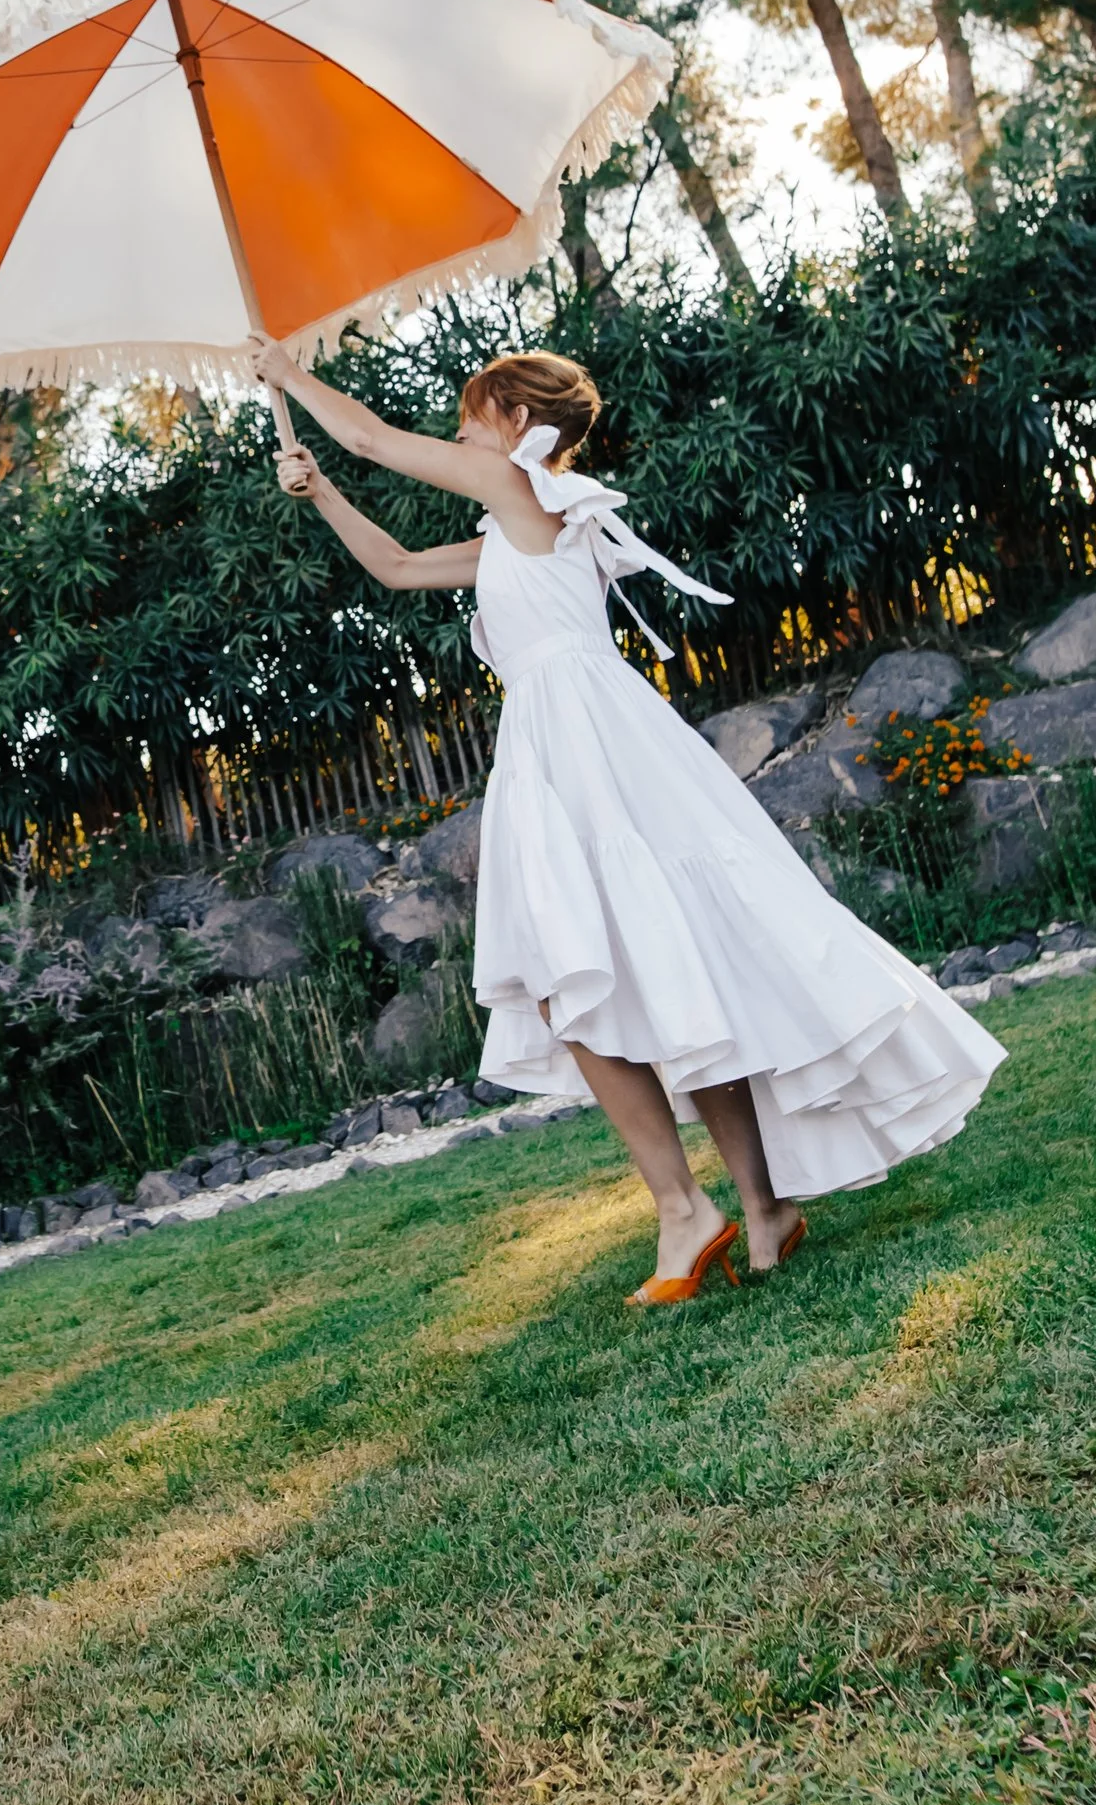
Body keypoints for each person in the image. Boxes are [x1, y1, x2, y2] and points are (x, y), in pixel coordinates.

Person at [261, 343, 1003, 1300]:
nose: (456, 432)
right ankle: (761, 1207)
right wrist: (320, 491)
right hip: (581, 739)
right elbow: (397, 567)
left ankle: (685, 1211)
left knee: (575, 979)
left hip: (580, 745)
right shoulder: (524, 527)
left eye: (470, 414)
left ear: (515, 425)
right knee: (664, 965)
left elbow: (370, 433)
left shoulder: (524, 492)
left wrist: (286, 373)